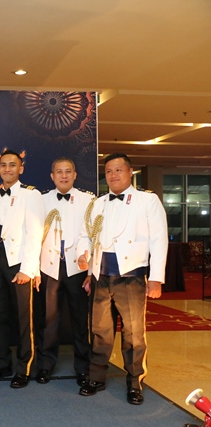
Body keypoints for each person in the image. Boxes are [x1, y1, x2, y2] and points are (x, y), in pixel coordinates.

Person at [77, 152, 167, 405]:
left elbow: (159, 239)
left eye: (118, 170)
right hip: (100, 276)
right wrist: (85, 260)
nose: (113, 175)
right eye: (108, 171)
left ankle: (135, 381)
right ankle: (96, 377)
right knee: (99, 330)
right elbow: (86, 235)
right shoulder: (97, 204)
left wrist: (156, 278)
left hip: (131, 275)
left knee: (134, 333)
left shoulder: (147, 200)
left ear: (129, 172)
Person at [0, 149, 44, 388]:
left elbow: (35, 234)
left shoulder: (31, 195)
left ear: (20, 168)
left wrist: (28, 269)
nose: (7, 169)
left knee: (24, 319)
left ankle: (24, 367)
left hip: (18, 263)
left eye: (12, 165)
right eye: (3, 165)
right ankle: (1, 363)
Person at [34, 157, 93, 386]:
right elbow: (34, 236)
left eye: (68, 171)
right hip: (49, 266)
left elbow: (90, 234)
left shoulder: (88, 200)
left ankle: (83, 367)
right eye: (59, 171)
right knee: (48, 319)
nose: (64, 175)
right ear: (52, 176)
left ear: (75, 175)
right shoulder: (40, 200)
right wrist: (34, 268)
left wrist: (85, 257)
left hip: (77, 267)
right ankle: (45, 365)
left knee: (80, 319)